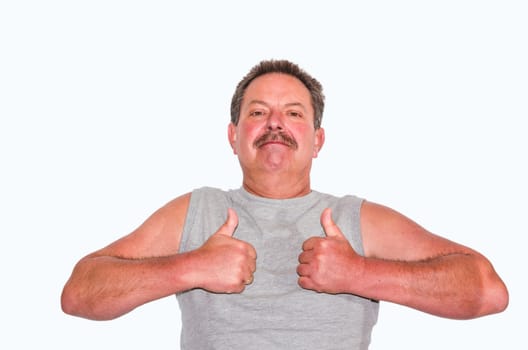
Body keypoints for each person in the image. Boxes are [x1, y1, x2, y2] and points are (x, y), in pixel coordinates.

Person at [61, 59, 509, 349]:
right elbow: (80, 293)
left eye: (294, 113)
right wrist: (191, 267)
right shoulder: (195, 211)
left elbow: (486, 291)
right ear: (233, 135)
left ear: (318, 141)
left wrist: (360, 273)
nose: (275, 123)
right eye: (257, 112)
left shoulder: (357, 219)